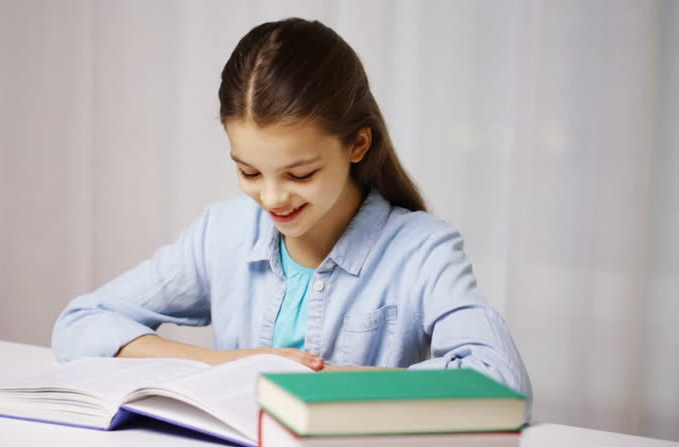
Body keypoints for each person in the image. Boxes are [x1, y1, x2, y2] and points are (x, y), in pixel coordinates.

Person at [51, 18, 532, 404]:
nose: (273, 199)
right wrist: (238, 365)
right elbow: (80, 324)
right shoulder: (223, 233)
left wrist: (314, 384)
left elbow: (502, 384)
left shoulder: (422, 249)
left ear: (357, 144)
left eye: (299, 174)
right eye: (249, 173)